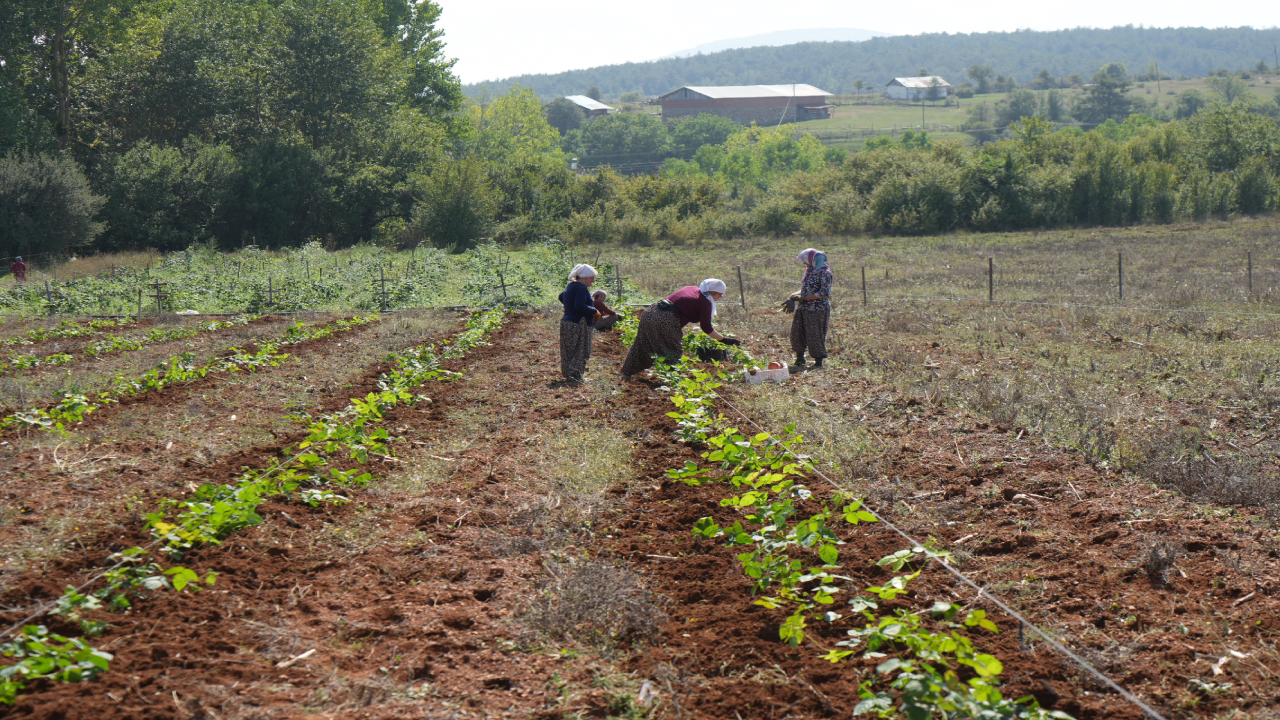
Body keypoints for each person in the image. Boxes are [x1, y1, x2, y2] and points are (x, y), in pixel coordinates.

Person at [621, 278, 727, 379]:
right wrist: (723, 339)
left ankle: (627, 373)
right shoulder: (704, 303)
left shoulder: (692, 289)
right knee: (673, 351)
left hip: (650, 312)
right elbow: (706, 327)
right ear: (712, 292)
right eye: (720, 294)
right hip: (666, 319)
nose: (720, 297)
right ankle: (673, 379)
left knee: (642, 343)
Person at [790, 248, 832, 370]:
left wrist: (804, 298)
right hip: (804, 307)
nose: (804, 263)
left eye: (805, 260)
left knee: (815, 334)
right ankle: (800, 358)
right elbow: (805, 289)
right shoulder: (810, 271)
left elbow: (823, 293)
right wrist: (793, 295)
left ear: (814, 259)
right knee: (797, 332)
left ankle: (818, 361)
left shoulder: (825, 273)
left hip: (817, 309)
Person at [558, 263, 598, 382]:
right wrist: (594, 310)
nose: (593, 281)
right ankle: (575, 376)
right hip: (579, 322)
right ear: (584, 278)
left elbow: (561, 297)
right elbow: (579, 305)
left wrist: (568, 307)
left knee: (569, 350)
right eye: (591, 278)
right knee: (582, 349)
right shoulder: (581, 287)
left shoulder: (570, 286)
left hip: (567, 321)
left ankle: (569, 374)